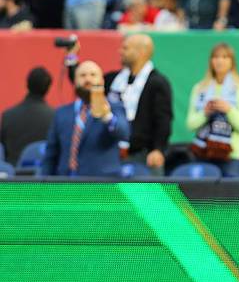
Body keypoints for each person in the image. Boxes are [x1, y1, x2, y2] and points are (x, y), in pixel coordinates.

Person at [66, 34, 173, 176]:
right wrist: (72, 59)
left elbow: (163, 120)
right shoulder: (115, 79)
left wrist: (158, 149)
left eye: (125, 48)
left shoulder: (158, 83)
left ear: (141, 52)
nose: (120, 51)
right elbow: (85, 83)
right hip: (113, 155)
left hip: (142, 155)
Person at [42, 61, 130, 177]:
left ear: (102, 81)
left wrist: (108, 117)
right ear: (75, 81)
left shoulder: (114, 107)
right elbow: (51, 154)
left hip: (101, 186)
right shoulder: (61, 113)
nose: (88, 79)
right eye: (82, 75)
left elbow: (124, 133)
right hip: (66, 185)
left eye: (93, 75)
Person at [186, 43, 239, 177]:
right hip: (203, 153)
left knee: (230, 197)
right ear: (211, 61)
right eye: (215, 57)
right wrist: (205, 113)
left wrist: (228, 110)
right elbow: (190, 124)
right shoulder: (200, 88)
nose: (219, 61)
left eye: (224, 57)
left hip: (231, 156)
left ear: (232, 62)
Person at [0, 67, 54, 166]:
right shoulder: (55, 117)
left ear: (27, 84)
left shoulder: (8, 115)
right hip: (43, 178)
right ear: (48, 88)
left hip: (13, 179)